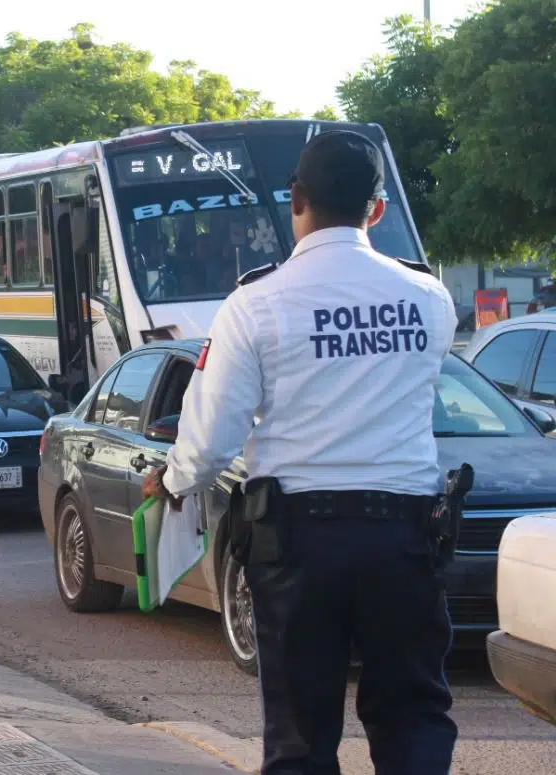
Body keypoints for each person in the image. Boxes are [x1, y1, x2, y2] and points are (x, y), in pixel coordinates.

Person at [142, 130, 459, 775]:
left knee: (300, 735)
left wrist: (171, 483)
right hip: (405, 539)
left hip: (298, 546)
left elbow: (209, 440)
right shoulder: (429, 298)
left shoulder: (256, 303)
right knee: (412, 718)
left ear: (296, 201)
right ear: (377, 210)